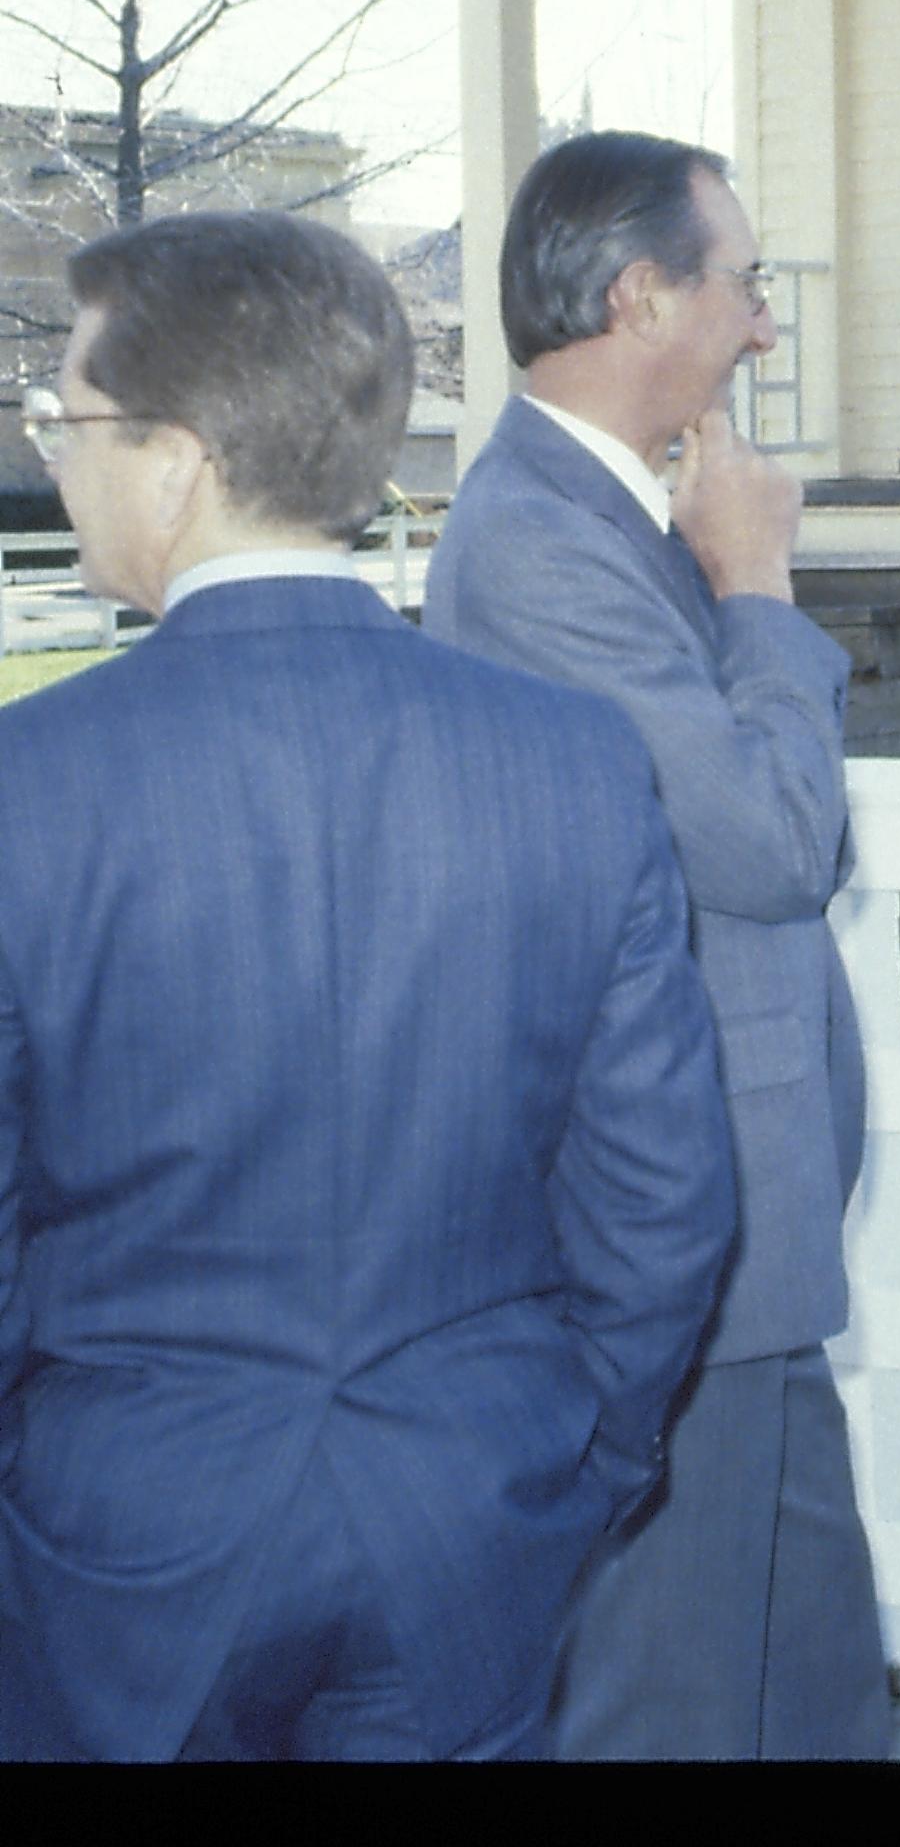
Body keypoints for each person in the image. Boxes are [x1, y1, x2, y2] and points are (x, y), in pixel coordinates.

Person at [0, 211, 734, 1760]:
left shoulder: (30, 784)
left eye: (62, 414)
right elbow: (662, 1199)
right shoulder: (572, 760)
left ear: (176, 457)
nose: (50, 451)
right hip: (473, 1507)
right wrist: (569, 1456)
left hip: (131, 1533)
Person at [423, 132, 890, 1759]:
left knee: (817, 1693)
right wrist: (757, 583)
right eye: (745, 282)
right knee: (674, 1706)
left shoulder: (627, 516)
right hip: (665, 1242)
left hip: (741, 1256)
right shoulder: (539, 546)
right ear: (641, 294)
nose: (766, 323)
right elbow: (767, 843)